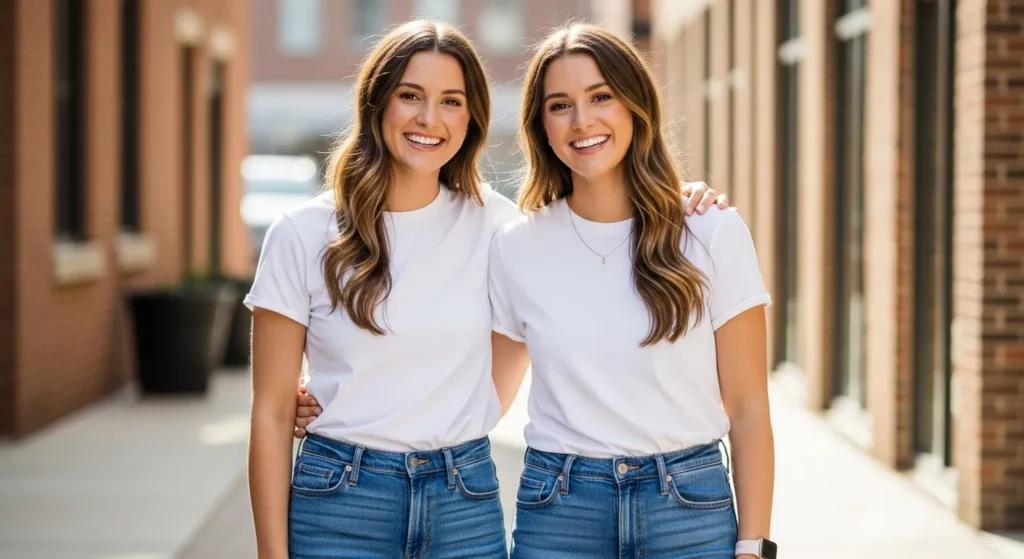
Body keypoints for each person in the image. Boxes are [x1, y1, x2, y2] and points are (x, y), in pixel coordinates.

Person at [249, 20, 727, 559]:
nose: (430, 118)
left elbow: (497, 380)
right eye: (410, 95)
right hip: (339, 501)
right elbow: (268, 412)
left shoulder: (501, 229)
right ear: (376, 102)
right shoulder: (301, 234)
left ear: (472, 116)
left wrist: (679, 197)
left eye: (451, 101)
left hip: (462, 500)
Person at [490, 24, 776, 559]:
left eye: (601, 96)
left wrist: (754, 545)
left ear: (635, 106)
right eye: (560, 105)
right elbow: (480, 398)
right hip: (561, 511)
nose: (582, 121)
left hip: (688, 510)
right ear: (541, 126)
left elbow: (748, 407)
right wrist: (327, 397)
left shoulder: (711, 232)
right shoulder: (516, 247)